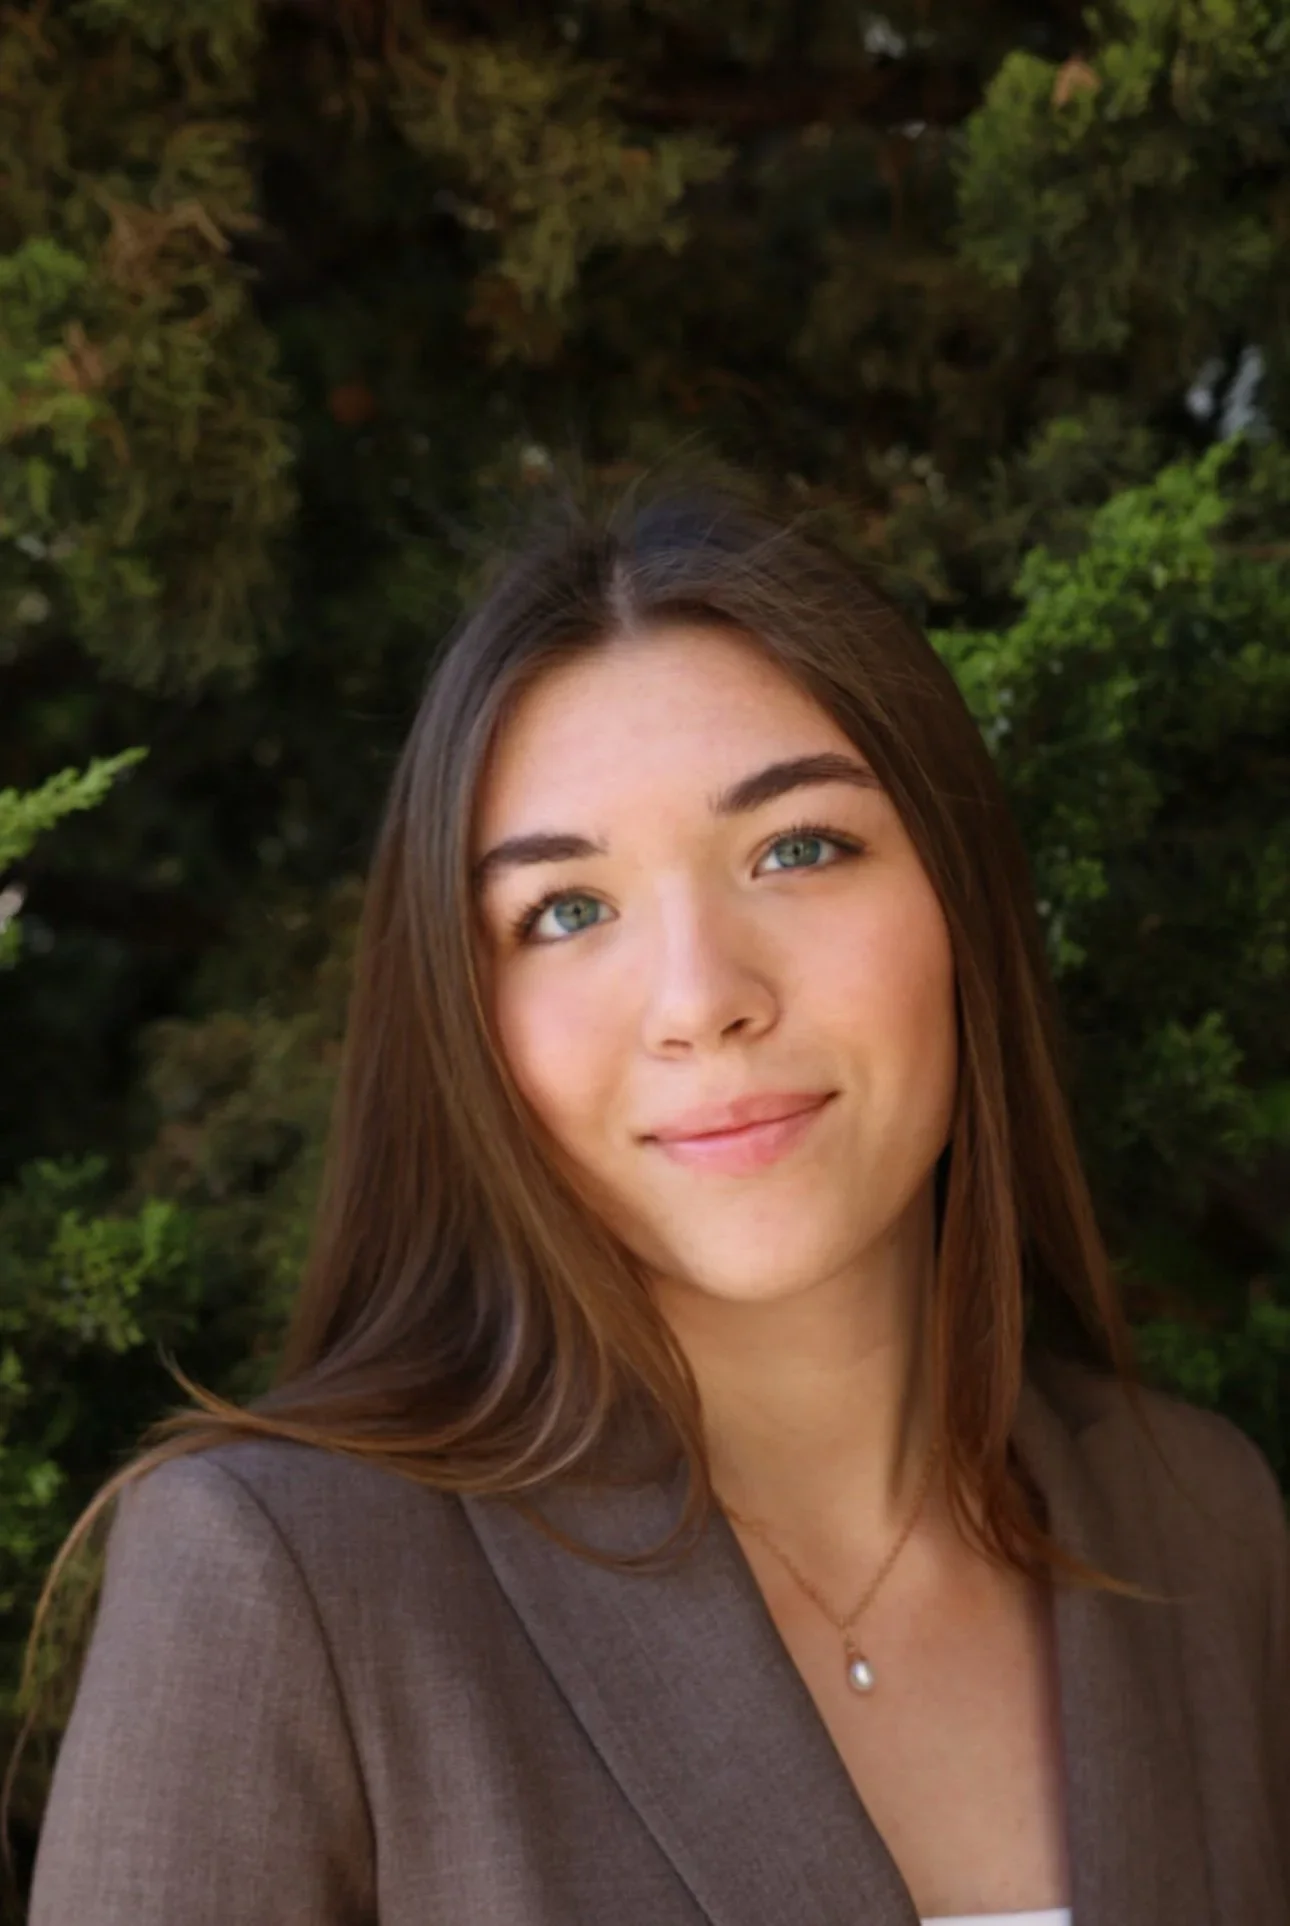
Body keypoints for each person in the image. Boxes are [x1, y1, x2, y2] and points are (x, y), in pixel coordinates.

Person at [18, 482, 1288, 1926]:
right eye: (566, 911)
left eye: (796, 848)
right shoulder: (283, 1581)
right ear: (463, 1024)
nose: (700, 1000)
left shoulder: (1196, 1522)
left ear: (963, 905)